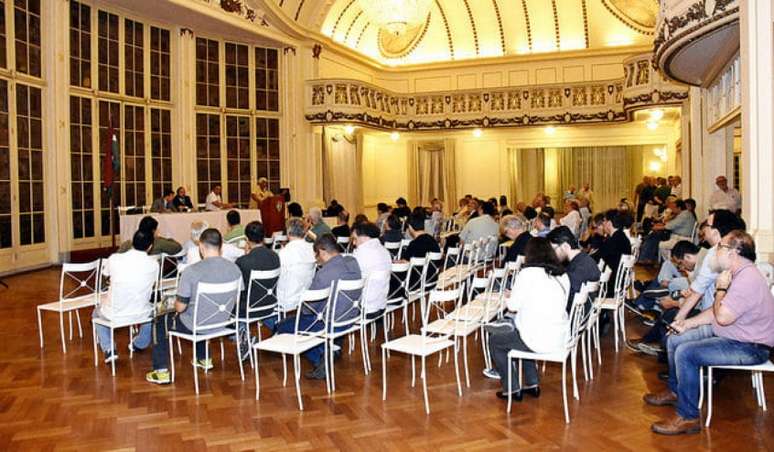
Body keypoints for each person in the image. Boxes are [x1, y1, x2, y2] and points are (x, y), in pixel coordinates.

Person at [645, 230, 774, 435]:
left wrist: (720, 289)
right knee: (677, 337)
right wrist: (688, 324)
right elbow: (716, 312)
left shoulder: (746, 278)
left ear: (734, 252)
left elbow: (721, 316)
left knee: (686, 352)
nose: (716, 251)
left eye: (721, 246)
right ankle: (676, 391)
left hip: (750, 347)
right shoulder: (738, 272)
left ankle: (688, 417)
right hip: (734, 334)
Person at [146, 228, 243, 384]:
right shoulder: (235, 269)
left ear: (201, 247)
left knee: (160, 321)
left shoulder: (191, 271)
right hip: (224, 323)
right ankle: (204, 358)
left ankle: (161, 371)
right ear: (221, 247)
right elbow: (236, 300)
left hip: (197, 324)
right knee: (200, 311)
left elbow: (180, 308)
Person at [484, 238, 570, 394]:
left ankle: (511, 388)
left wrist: (509, 296)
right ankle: (532, 383)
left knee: (496, 341)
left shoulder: (528, 273)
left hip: (538, 339)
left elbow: (513, 306)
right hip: (560, 336)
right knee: (522, 334)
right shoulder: (562, 275)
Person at [276, 233, 362, 380]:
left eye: (317, 255)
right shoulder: (352, 261)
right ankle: (332, 348)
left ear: (322, 251)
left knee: (282, 326)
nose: (317, 259)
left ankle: (321, 358)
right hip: (350, 317)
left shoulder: (324, 274)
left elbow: (308, 308)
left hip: (329, 322)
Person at [93, 229, 158, 363]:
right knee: (153, 311)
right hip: (142, 312)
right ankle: (140, 343)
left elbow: (105, 276)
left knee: (96, 313)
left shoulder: (115, 259)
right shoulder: (154, 264)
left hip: (115, 313)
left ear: (132, 242)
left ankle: (109, 348)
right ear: (150, 246)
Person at [670, 209, 746, 323]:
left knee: (673, 336)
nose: (704, 228)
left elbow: (698, 291)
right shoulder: (739, 249)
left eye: (707, 225)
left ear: (715, 231)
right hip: (722, 315)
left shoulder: (714, 254)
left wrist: (678, 320)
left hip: (713, 317)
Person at [235, 221, 281, 330]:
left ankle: (241, 335)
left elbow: (239, 289)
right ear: (264, 237)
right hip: (270, 304)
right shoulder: (275, 256)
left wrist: (246, 255)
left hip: (248, 308)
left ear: (247, 239)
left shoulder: (243, 261)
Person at [548, 226, 601, 312]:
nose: (552, 254)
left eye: (554, 249)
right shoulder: (585, 260)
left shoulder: (577, 270)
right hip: (584, 317)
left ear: (565, 246)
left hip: (574, 318)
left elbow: (565, 301)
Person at [352, 222, 391, 318]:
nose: (353, 243)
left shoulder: (361, 253)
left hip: (365, 308)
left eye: (355, 239)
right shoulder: (384, 250)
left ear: (364, 237)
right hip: (381, 305)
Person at [277, 218, 317, 312]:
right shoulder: (312, 249)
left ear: (288, 232)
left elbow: (278, 277)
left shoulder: (285, 252)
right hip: (306, 299)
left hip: (286, 302)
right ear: (304, 232)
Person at [638, 199, 695, 263]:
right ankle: (646, 257)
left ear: (679, 208)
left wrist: (658, 227)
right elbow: (670, 224)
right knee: (654, 235)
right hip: (676, 236)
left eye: (674, 208)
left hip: (680, 239)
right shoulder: (682, 214)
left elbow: (670, 226)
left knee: (656, 237)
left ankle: (665, 261)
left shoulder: (684, 215)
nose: (672, 209)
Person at [595, 210, 631, 296]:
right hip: (618, 280)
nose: (603, 224)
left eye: (604, 221)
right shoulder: (622, 237)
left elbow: (597, 257)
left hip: (609, 284)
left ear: (609, 223)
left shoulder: (613, 240)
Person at [403, 212, 441, 287]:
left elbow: (405, 263)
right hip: (432, 280)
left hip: (417, 283)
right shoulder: (433, 240)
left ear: (410, 227)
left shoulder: (414, 244)